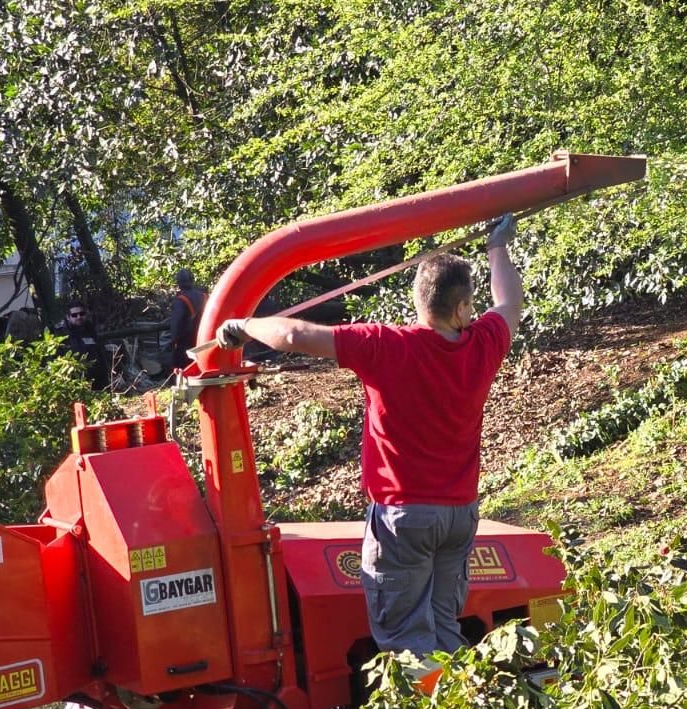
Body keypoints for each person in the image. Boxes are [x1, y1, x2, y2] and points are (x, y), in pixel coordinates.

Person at [217, 214, 520, 657]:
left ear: (420, 301)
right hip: (459, 515)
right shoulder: (483, 343)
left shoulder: (385, 345)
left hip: (404, 519)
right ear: (460, 308)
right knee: (444, 629)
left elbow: (292, 332)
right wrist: (498, 247)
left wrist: (243, 326)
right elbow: (510, 303)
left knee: (406, 642)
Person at [58, 300, 111, 390]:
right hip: (74, 381)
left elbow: (100, 353)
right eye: (74, 315)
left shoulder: (90, 329)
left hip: (96, 380)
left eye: (81, 313)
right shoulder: (60, 334)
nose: (79, 317)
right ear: (68, 317)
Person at [166, 268, 206, 363]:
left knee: (181, 368)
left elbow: (176, 323)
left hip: (186, 344)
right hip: (204, 339)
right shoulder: (205, 296)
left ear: (179, 283)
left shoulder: (181, 300)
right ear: (192, 280)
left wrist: (172, 341)